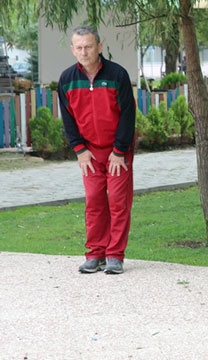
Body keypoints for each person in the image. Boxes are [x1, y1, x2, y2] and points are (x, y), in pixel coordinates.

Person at [59, 25, 136, 275]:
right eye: (79, 47)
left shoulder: (118, 75)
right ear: (72, 49)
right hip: (89, 152)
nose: (84, 51)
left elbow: (128, 114)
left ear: (99, 47)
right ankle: (95, 254)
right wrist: (79, 149)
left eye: (89, 46)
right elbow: (68, 118)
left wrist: (119, 150)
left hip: (117, 151)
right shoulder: (67, 79)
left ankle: (115, 255)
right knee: (94, 201)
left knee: (117, 201)